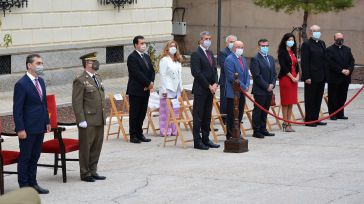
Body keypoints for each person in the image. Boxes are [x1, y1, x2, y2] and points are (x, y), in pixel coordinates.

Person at [13, 54, 51, 194]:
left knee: (35, 156)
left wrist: (47, 121)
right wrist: (20, 128)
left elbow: (44, 104)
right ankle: (24, 187)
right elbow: (17, 109)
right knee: (25, 157)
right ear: (29, 65)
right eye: (38, 63)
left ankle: (33, 183)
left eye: (42, 63)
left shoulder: (40, 81)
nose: (41, 65)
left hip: (40, 126)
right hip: (27, 128)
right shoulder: (21, 84)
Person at [72, 52, 107, 182]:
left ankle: (93, 170)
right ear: (87, 63)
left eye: (95, 61)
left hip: (99, 118)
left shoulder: (97, 77)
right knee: (86, 147)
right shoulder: (80, 80)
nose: (96, 63)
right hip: (87, 120)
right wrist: (81, 119)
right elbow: (77, 101)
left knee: (97, 146)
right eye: (93, 61)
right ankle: (85, 173)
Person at [190, 31, 220, 150]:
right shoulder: (196, 54)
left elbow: (214, 70)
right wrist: (208, 85)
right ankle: (197, 141)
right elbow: (196, 72)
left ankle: (206, 139)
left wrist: (216, 83)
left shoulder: (210, 53)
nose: (208, 40)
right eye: (206, 38)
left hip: (210, 90)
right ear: (201, 40)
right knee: (198, 116)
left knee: (207, 115)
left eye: (209, 38)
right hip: (201, 89)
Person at [126, 35, 155, 143]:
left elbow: (152, 70)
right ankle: (133, 135)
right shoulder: (132, 57)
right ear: (136, 45)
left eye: (144, 43)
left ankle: (140, 133)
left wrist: (151, 83)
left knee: (142, 112)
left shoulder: (146, 56)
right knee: (135, 113)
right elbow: (136, 73)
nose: (144, 45)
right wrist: (147, 83)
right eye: (141, 43)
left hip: (146, 89)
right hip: (136, 90)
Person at [301, 25, 328, 127]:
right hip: (311, 77)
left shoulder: (322, 43)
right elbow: (305, 62)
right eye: (315, 31)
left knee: (318, 98)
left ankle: (316, 118)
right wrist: (307, 76)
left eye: (318, 31)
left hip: (321, 76)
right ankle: (309, 120)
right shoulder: (306, 44)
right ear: (310, 32)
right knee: (310, 98)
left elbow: (325, 60)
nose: (317, 33)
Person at [250, 38, 277, 139]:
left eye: (266, 46)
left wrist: (272, 84)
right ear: (259, 46)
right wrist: (266, 86)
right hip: (260, 90)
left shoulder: (270, 58)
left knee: (265, 110)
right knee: (258, 110)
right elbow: (256, 76)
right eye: (263, 46)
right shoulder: (255, 59)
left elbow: (274, 74)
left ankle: (263, 128)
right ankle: (256, 130)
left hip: (270, 89)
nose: (265, 48)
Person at [224, 41, 250, 140]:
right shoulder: (229, 59)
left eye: (242, 47)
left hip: (242, 92)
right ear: (233, 48)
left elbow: (247, 74)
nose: (240, 49)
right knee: (232, 115)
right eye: (238, 47)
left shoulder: (242, 58)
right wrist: (244, 87)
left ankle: (237, 133)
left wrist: (247, 85)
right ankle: (230, 134)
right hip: (233, 92)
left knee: (239, 114)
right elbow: (231, 77)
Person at [326, 33, 355, 120]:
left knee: (342, 97)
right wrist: (341, 70)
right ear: (334, 39)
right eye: (338, 38)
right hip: (334, 78)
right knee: (333, 97)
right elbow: (330, 63)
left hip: (345, 78)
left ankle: (340, 114)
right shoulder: (329, 50)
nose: (340, 40)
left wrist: (349, 70)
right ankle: (333, 114)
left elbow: (352, 61)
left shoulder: (347, 49)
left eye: (341, 38)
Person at [159, 40, 183, 136]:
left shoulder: (177, 60)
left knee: (175, 110)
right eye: (171, 46)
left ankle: (174, 129)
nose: (173, 48)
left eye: (174, 46)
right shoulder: (164, 60)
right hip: (168, 88)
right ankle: (165, 130)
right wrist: (164, 89)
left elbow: (179, 75)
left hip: (176, 88)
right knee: (166, 111)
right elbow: (162, 75)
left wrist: (181, 88)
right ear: (167, 48)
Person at [277, 33, 300, 132]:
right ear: (285, 40)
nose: (291, 41)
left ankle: (289, 122)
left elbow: (297, 66)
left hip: (294, 79)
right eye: (289, 39)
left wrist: (297, 76)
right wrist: (292, 77)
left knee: (291, 102)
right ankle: (285, 123)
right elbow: (284, 68)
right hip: (286, 79)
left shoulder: (293, 52)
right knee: (286, 102)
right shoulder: (282, 52)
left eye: (293, 40)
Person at [218, 35, 237, 119]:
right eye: (231, 42)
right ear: (227, 43)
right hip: (225, 80)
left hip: (235, 81)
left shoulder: (236, 53)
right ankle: (225, 118)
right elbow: (223, 66)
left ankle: (234, 117)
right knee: (225, 101)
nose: (232, 44)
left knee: (234, 100)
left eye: (234, 42)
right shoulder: (223, 52)